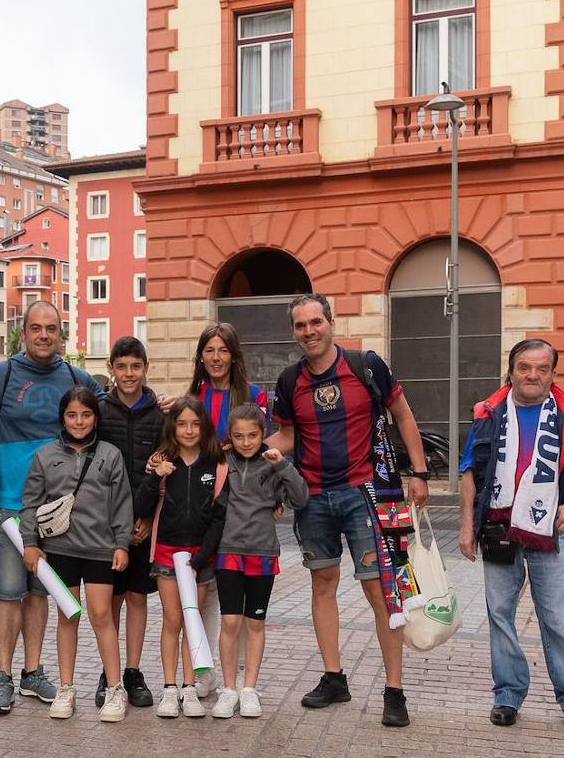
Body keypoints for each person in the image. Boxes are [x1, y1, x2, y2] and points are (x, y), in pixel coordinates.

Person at [267, 293, 431, 728]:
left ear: (330, 322)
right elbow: (285, 436)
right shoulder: (289, 381)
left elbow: (403, 415)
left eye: (315, 322)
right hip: (313, 498)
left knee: (382, 591)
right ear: (294, 332)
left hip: (371, 494)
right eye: (300, 325)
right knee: (323, 585)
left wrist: (419, 472)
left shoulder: (367, 365)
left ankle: (394, 690)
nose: (309, 331)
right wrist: (238, 451)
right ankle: (334, 678)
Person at [459, 339, 564, 736]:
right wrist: (467, 527)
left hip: (551, 529)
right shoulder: (488, 413)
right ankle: (507, 695)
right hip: (499, 528)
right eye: (524, 367)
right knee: (500, 616)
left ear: (553, 373)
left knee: (557, 620)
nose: (532, 375)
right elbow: (468, 470)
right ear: (511, 370)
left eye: (541, 368)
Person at [0, 300, 101, 713]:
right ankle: (3, 676)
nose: (43, 335)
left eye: (51, 328)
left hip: (57, 514)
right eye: (36, 328)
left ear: (61, 334)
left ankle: (32, 674)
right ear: (23, 333)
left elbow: (113, 415)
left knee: (38, 593)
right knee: (8, 592)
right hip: (10, 511)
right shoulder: (1, 375)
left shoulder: (75, 376)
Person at [21, 386, 133, 722]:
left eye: (85, 415)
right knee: (68, 616)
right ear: (62, 417)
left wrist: (122, 544)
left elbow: (123, 503)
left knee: (102, 616)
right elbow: (31, 503)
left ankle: (116, 689)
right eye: (72, 415)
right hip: (59, 551)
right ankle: (66, 688)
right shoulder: (44, 456)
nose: (79, 421)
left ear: (95, 418)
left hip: (101, 549)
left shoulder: (111, 455)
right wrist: (30, 542)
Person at [192, 405, 308, 718]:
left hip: (262, 553)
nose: (246, 442)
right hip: (228, 552)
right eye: (239, 436)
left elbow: (300, 498)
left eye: (253, 435)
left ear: (263, 433)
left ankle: (249, 689)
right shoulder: (221, 461)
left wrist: (283, 464)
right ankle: (228, 690)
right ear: (230, 435)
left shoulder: (272, 464)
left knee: (255, 623)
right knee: (230, 622)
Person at [183, 321, 267, 697]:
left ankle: (244, 678)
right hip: (204, 503)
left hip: (245, 507)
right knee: (206, 590)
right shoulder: (194, 396)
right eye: (209, 351)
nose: (216, 358)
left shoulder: (253, 395)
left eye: (223, 350)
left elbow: (265, 447)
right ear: (201, 356)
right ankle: (205, 670)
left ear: (234, 356)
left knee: (242, 597)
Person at [134, 397, 225, 719]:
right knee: (172, 620)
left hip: (199, 559)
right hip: (166, 555)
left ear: (204, 427)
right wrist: (155, 475)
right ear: (173, 427)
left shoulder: (217, 465)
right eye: (182, 423)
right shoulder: (163, 461)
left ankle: (190, 688)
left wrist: (202, 557)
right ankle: (170, 689)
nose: (188, 430)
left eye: (195, 424)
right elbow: (142, 508)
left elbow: (219, 517)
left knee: (192, 622)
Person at [94, 336, 162, 709]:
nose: (129, 373)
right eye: (122, 366)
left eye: (136, 366)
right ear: (111, 369)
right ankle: (111, 671)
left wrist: (148, 518)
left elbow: (165, 471)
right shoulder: (100, 411)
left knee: (138, 597)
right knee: (112, 600)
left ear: (146, 368)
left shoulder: (159, 413)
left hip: (145, 524)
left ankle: (133, 671)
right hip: (107, 526)